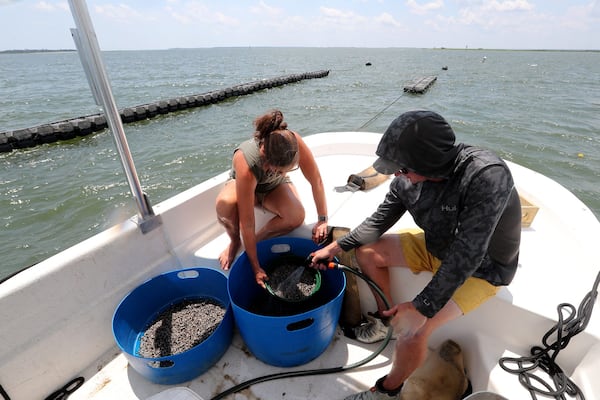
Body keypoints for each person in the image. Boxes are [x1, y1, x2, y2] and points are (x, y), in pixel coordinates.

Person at [309, 110, 521, 400]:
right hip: (437, 247)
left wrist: (420, 306)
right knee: (368, 251)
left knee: (414, 330)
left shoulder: (485, 176)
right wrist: (335, 248)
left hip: (482, 269)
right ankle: (387, 325)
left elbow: (468, 253)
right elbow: (377, 222)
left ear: (430, 162)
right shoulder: (405, 181)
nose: (397, 174)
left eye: (403, 168)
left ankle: (387, 391)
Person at [216, 109, 329, 288]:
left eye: (289, 170)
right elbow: (247, 222)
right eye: (282, 169)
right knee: (224, 206)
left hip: (274, 186)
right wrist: (256, 268)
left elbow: (316, 180)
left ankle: (256, 241)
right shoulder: (246, 161)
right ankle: (235, 241)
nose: (286, 172)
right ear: (268, 163)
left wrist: (322, 219)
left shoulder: (293, 142)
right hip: (246, 188)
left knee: (296, 216)